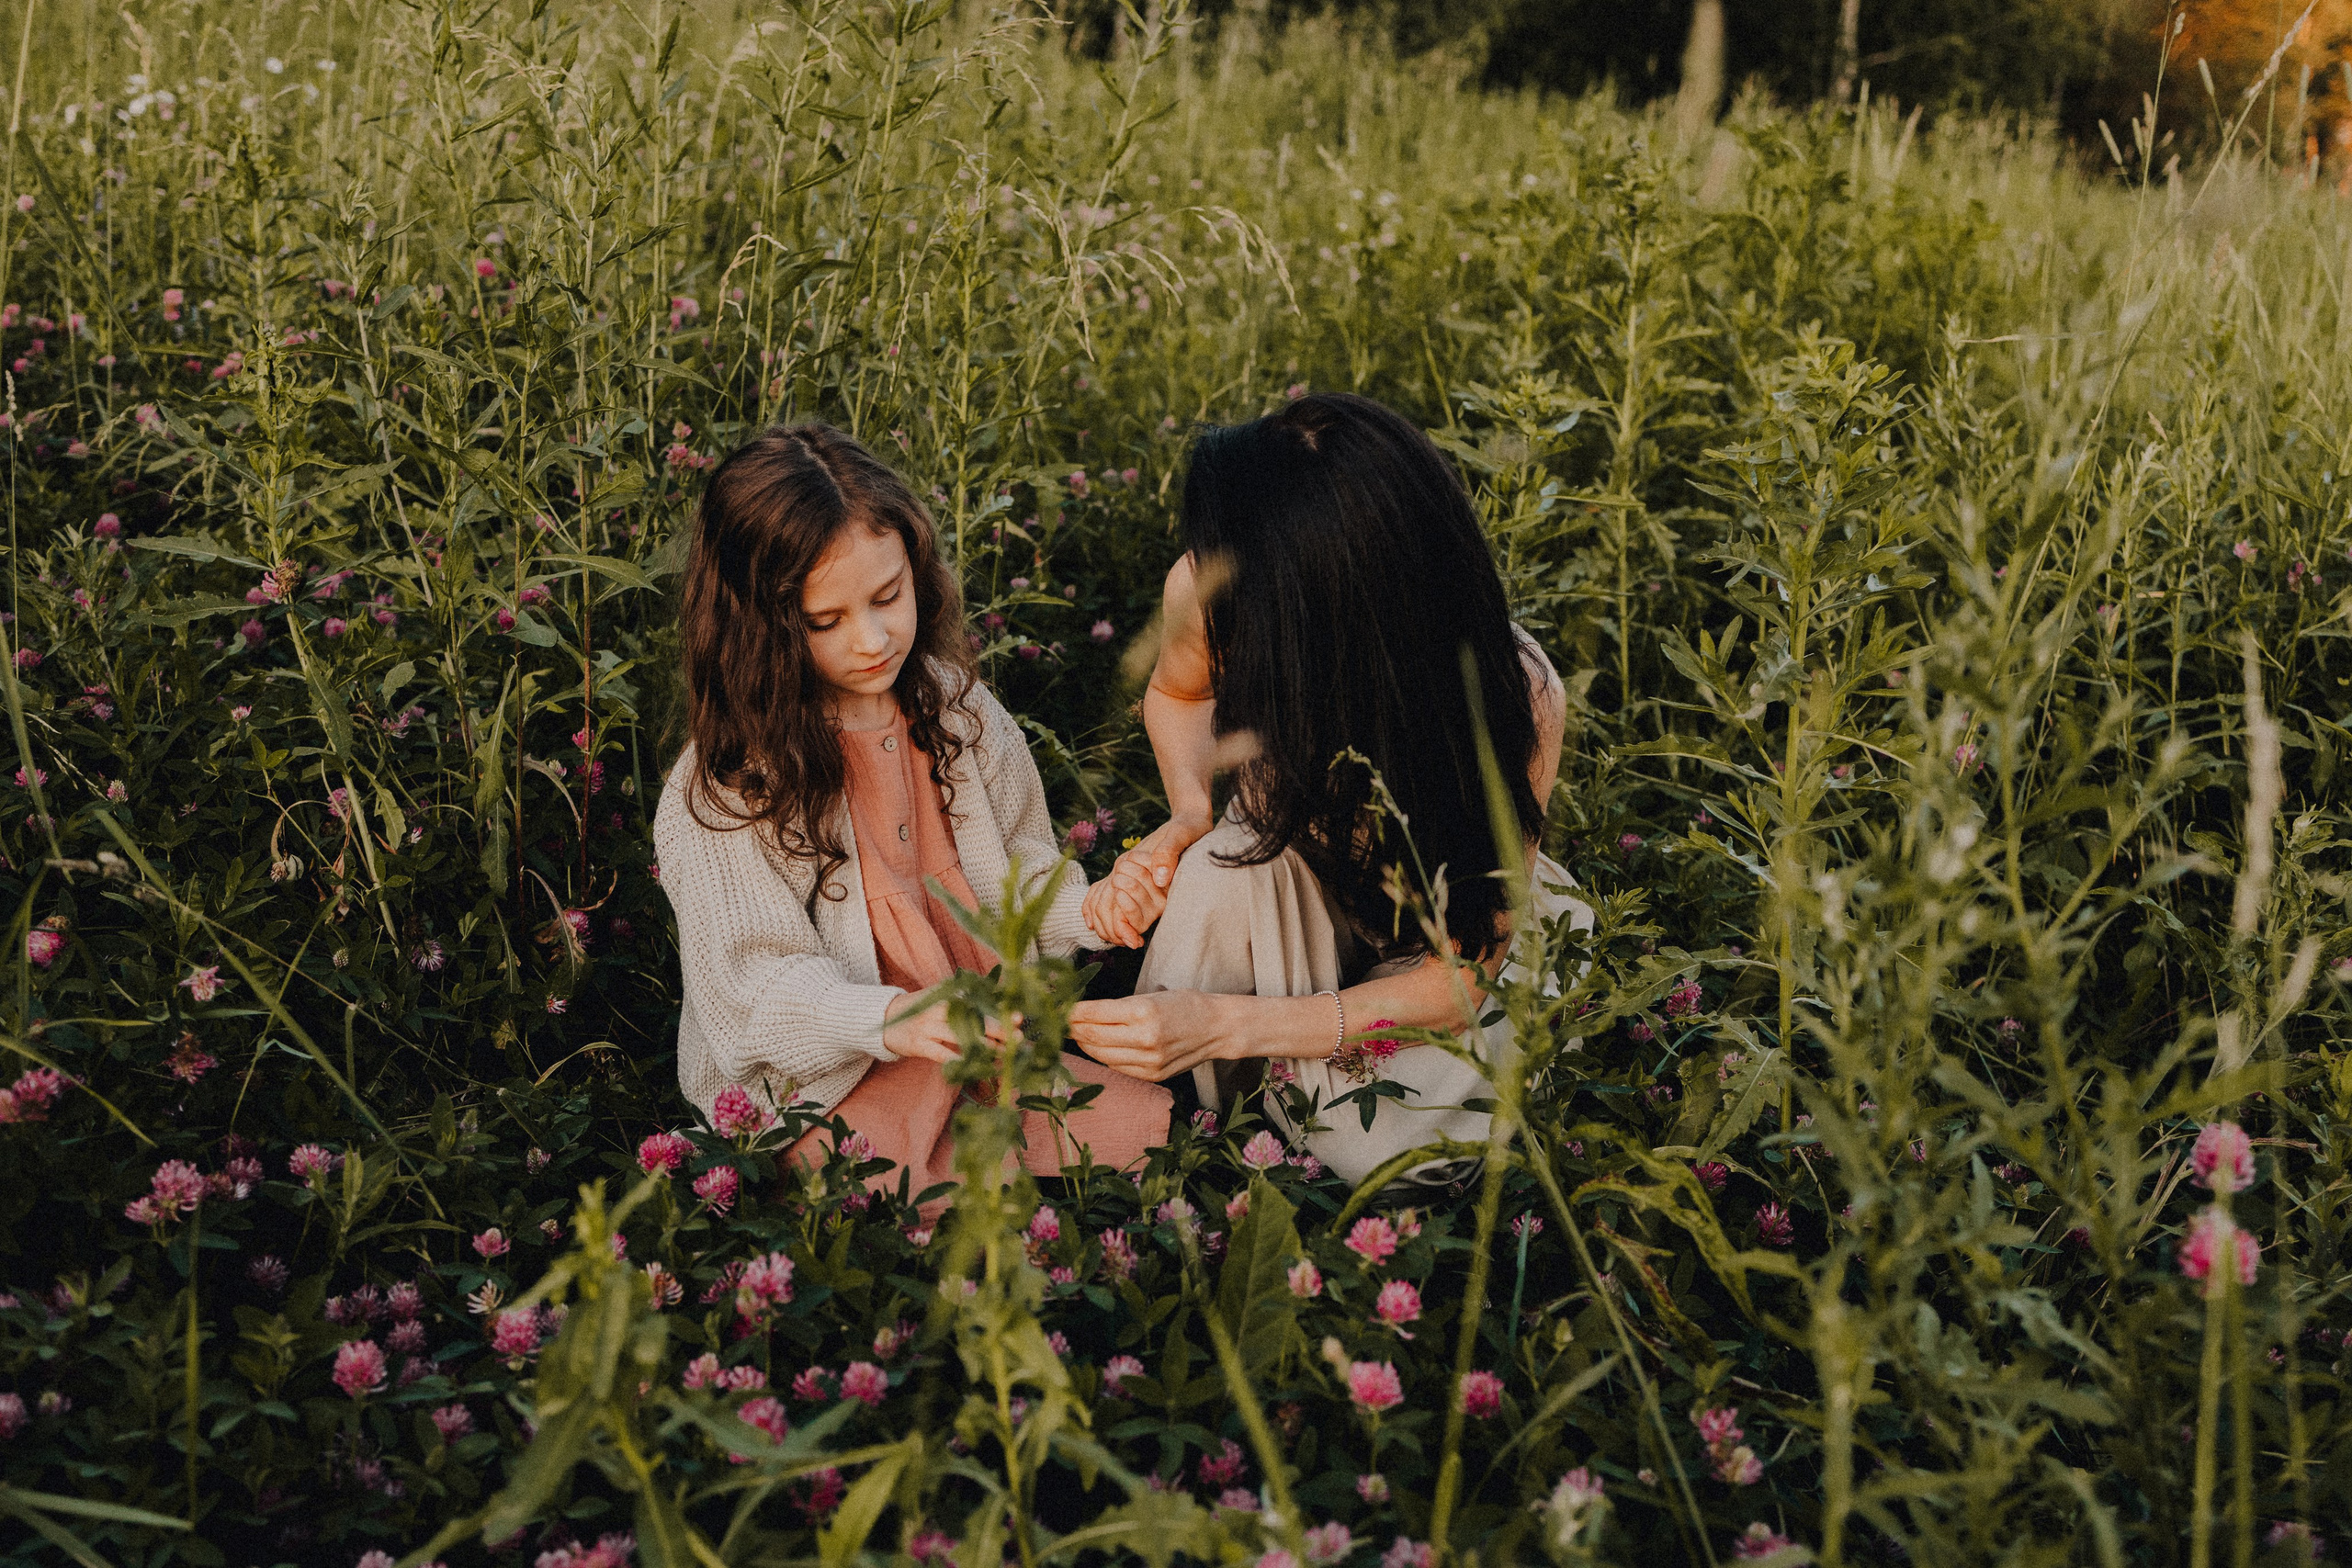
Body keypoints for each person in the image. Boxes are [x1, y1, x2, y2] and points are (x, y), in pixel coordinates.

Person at [1066, 391, 1589, 1185]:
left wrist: (1226, 1023)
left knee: (1373, 1146)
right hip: (1290, 866)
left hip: (1437, 939)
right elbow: (1176, 695)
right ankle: (1187, 1122)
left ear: (1327, 623)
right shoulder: (1212, 589)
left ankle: (1254, 1092)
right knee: (1211, 880)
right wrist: (1188, 813)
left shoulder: (1518, 698)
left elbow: (1458, 979)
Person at [654, 423, 1170, 1193]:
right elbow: (753, 991)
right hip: (829, 1080)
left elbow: (1022, 871)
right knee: (928, 1186)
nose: (872, 639)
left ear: (915, 569)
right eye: (825, 621)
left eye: (888, 596)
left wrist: (1093, 908)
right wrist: (900, 1020)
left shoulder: (955, 708)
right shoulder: (730, 781)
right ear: (758, 628)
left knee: (1145, 1134)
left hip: (983, 1046)